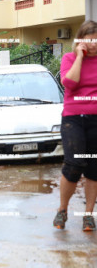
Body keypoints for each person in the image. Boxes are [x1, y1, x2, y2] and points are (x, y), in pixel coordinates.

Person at [53, 20, 97, 231]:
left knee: (94, 168)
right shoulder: (69, 58)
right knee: (74, 164)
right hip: (73, 118)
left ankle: (88, 215)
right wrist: (80, 56)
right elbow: (69, 83)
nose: (94, 44)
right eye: (90, 40)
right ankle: (62, 209)